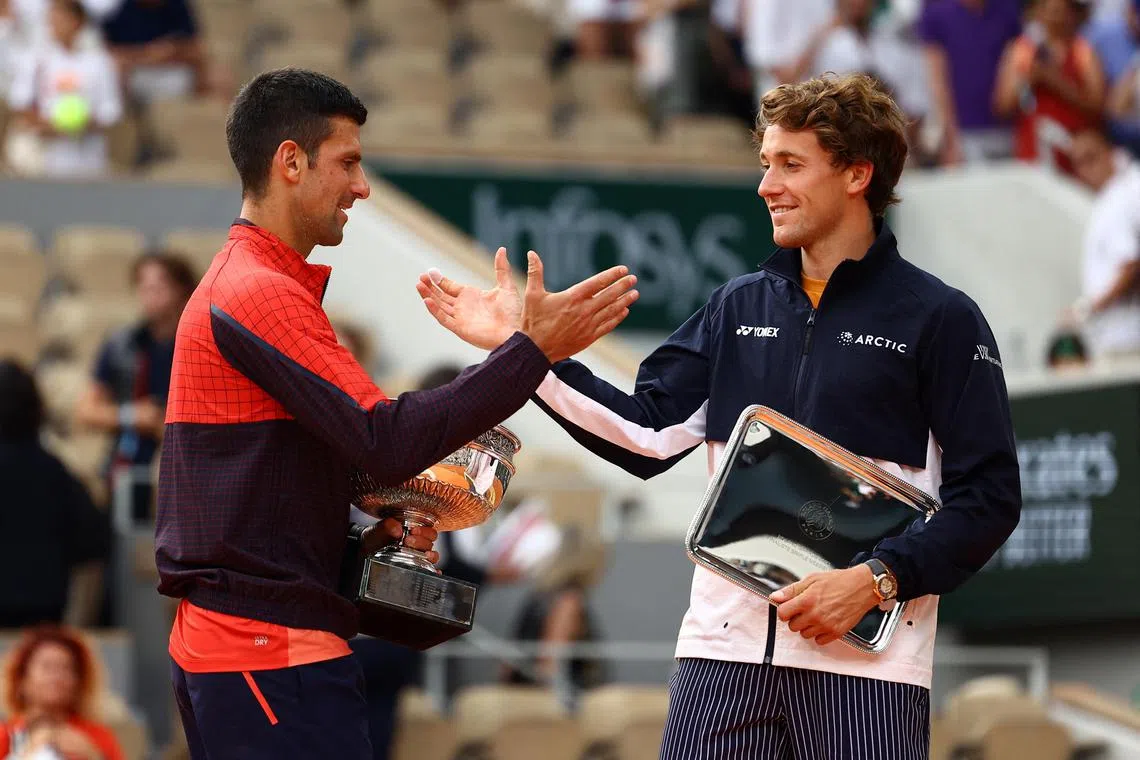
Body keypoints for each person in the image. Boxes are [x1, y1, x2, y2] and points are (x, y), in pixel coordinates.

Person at [419, 73, 1022, 758]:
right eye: (766, 164)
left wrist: (874, 580)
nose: (767, 185)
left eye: (790, 165)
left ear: (858, 173)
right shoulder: (738, 307)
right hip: (720, 659)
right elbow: (643, 433)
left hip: (868, 671)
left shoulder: (940, 319)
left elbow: (989, 501)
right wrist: (521, 352)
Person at [154, 67, 639, 760]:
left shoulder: (253, 286)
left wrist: (376, 543)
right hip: (266, 650)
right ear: (290, 162)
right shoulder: (257, 291)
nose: (362, 185)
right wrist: (529, 350)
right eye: (348, 162)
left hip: (259, 643)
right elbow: (385, 441)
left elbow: (272, 495)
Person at [74, 252, 198, 522]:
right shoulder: (122, 345)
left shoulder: (199, 343)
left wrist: (167, 424)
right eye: (143, 287)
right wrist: (133, 416)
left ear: (181, 291)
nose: (149, 295)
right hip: (128, 458)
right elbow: (86, 410)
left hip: (185, 457)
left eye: (158, 287)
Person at [0, 360, 109, 628]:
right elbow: (92, 543)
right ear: (36, 409)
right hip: (43, 616)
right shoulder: (57, 471)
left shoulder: (57, 470)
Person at [5, 0, 122, 179]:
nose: (54, 25)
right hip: (46, 161)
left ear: (78, 22)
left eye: (61, 19)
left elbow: (110, 111)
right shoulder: (36, 61)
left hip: (90, 162)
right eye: (52, 20)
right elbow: (21, 104)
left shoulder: (100, 62)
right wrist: (47, 126)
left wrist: (81, 126)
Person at [993, 0, 1106, 177]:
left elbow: (1097, 106)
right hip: (1035, 152)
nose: (1055, 18)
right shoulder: (1022, 51)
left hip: (1077, 156)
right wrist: (1028, 80)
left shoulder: (1083, 51)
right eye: (1049, 10)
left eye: (1061, 11)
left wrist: (1056, 82)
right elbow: (1003, 106)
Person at [1063, 127, 1140, 363]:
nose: (1086, 170)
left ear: (1109, 153)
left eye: (1091, 158)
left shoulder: (1117, 199)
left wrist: (1089, 309)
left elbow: (1131, 265)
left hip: (1124, 337)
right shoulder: (1115, 196)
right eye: (1078, 163)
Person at [920, 0, 1023, 166]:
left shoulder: (1009, 9)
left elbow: (1015, 64)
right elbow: (938, 80)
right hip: (964, 134)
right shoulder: (937, 13)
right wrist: (950, 138)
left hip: (1006, 130)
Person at [0, 624, 124, 760]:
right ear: (22, 679)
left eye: (65, 668)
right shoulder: (6, 735)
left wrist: (94, 756)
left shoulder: (97, 737)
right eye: (47, 667)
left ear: (79, 682)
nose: (56, 677)